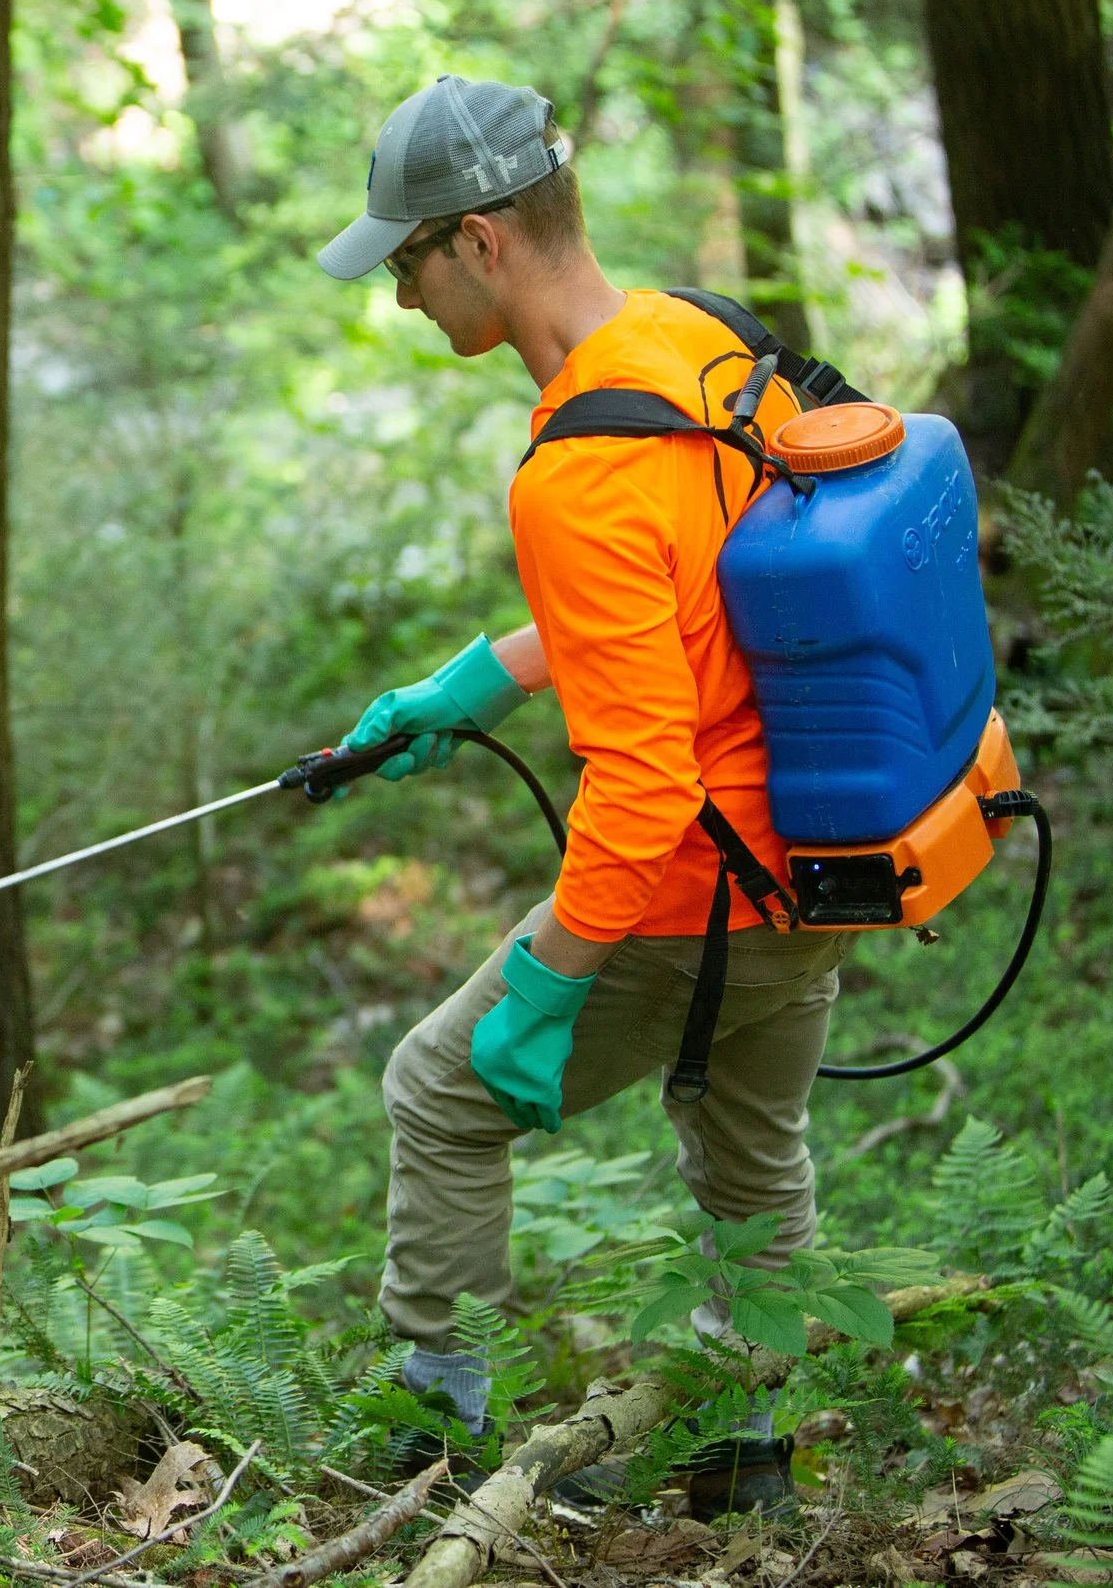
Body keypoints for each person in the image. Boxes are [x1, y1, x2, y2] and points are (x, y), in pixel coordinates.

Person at [315, 74, 848, 1517]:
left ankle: (432, 1450)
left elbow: (643, 781)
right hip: (828, 858)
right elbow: (706, 598)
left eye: (409, 260)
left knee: (435, 1088)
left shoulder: (573, 472)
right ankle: (748, 1459)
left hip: (699, 890)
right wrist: (481, 680)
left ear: (480, 241)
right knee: (752, 1151)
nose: (403, 296)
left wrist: (548, 985)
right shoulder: (691, 340)